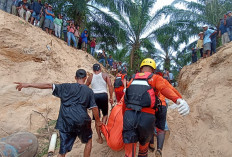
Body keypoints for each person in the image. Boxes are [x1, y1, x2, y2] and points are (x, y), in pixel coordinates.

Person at [14, 69, 102, 157]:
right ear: (85, 78)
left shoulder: (65, 87)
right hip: (82, 121)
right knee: (88, 141)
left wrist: (28, 84)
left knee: (62, 151)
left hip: (66, 121)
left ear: (75, 78)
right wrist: (97, 121)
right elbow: (94, 108)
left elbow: (48, 85)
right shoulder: (89, 91)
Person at [122, 58, 190, 157]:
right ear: (153, 69)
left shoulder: (132, 79)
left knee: (129, 153)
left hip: (129, 116)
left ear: (141, 69)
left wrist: (125, 116)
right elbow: (165, 89)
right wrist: (178, 100)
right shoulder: (155, 78)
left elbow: (125, 99)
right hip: (147, 118)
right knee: (143, 150)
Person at [149, 72, 183, 156]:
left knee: (151, 125)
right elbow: (172, 90)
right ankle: (159, 149)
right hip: (162, 105)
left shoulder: (150, 79)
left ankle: (151, 144)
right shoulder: (163, 81)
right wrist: (180, 99)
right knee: (161, 127)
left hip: (151, 105)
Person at [86, 63, 114, 144]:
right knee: (105, 115)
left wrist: (89, 95)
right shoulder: (105, 75)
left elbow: (85, 86)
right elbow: (110, 85)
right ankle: (103, 128)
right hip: (103, 95)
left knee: (96, 118)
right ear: (100, 69)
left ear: (93, 70)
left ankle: (99, 138)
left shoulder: (90, 77)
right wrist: (111, 97)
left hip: (94, 96)